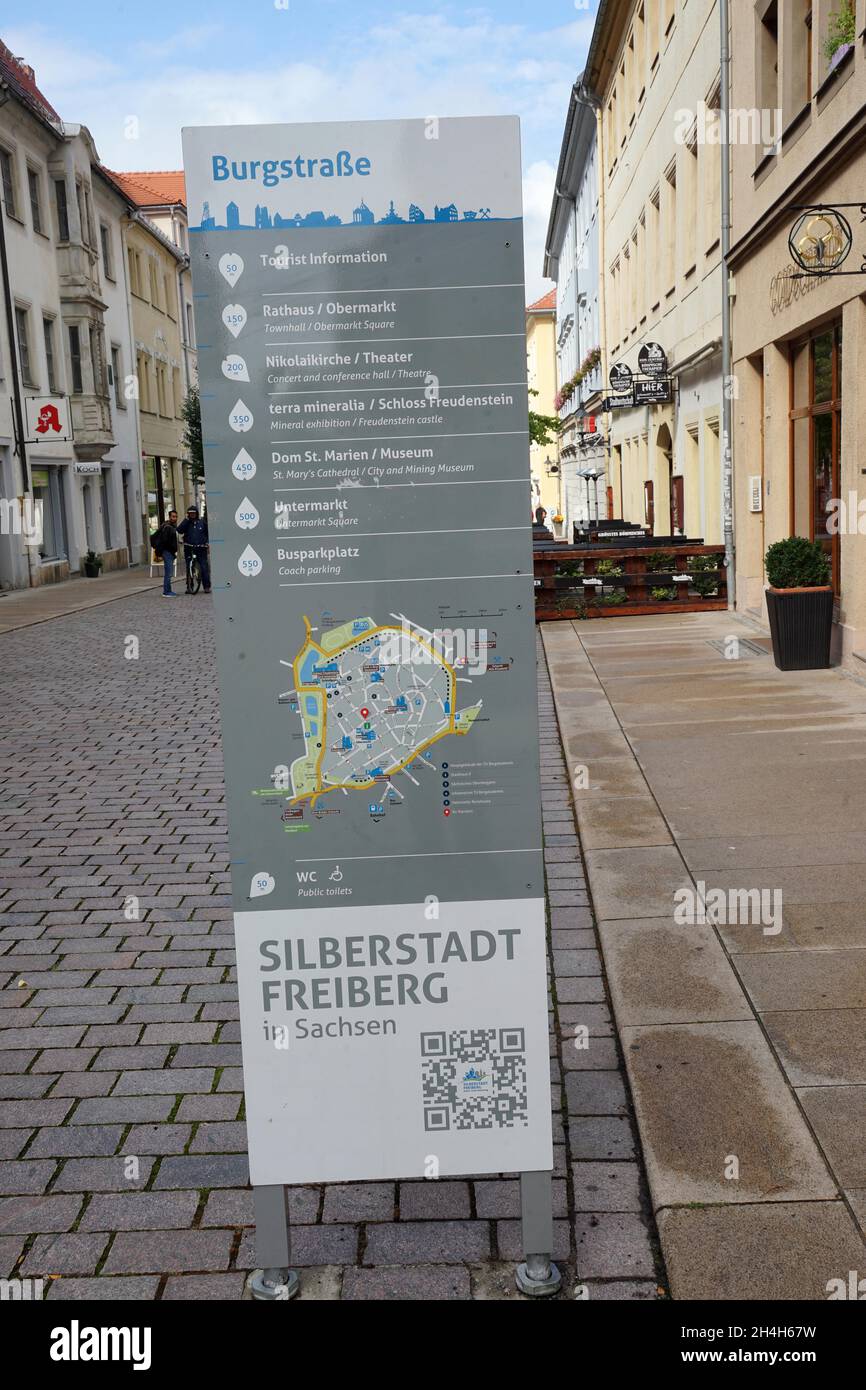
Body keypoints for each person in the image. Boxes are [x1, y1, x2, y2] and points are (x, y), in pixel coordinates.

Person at [177, 505, 211, 593]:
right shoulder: (187, 523)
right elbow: (179, 530)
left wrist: (207, 543)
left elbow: (208, 533)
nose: (192, 515)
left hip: (201, 548)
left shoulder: (202, 522)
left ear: (196, 513)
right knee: (189, 567)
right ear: (188, 514)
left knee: (204, 567)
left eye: (194, 513)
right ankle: (189, 586)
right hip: (189, 548)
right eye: (190, 513)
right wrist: (186, 520)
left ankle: (206, 586)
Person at [152, 510, 178, 596]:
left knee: (168, 572)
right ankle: (167, 591)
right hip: (167, 552)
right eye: (173, 516)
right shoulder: (168, 527)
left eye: (176, 516)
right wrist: (172, 548)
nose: (175, 518)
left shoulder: (169, 526)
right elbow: (165, 541)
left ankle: (168, 590)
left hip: (168, 551)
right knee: (169, 573)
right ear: (169, 517)